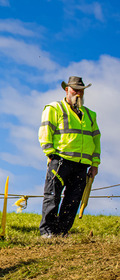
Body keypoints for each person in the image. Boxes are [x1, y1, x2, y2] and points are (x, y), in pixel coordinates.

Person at [38, 76, 100, 238]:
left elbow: (96, 140)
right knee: (52, 196)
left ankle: (62, 232)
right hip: (60, 160)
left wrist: (95, 164)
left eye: (81, 91)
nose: (78, 93)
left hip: (82, 164)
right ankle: (47, 231)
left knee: (73, 199)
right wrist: (50, 154)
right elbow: (45, 131)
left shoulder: (90, 115)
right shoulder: (55, 108)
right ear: (67, 90)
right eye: (75, 90)